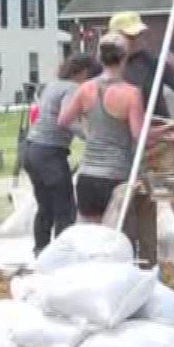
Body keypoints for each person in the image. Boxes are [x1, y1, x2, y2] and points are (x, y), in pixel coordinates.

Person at [110, 10, 174, 293]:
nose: (139, 39)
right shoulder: (107, 70)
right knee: (132, 208)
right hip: (129, 145)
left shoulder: (153, 63)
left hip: (162, 141)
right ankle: (135, 270)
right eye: (132, 36)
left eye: (140, 34)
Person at [61, 35, 145, 226]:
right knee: (115, 237)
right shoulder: (131, 94)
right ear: (124, 58)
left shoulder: (85, 88)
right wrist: (162, 132)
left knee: (91, 238)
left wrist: (88, 132)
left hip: (88, 174)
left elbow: (64, 119)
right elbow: (138, 136)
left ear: (100, 58)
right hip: (116, 175)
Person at [22, 54, 98, 254]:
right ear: (83, 72)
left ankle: (40, 250)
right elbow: (67, 120)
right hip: (50, 152)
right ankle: (61, 254)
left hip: (32, 147)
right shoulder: (72, 88)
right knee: (65, 208)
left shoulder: (52, 84)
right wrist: (91, 137)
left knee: (44, 205)